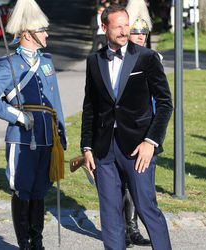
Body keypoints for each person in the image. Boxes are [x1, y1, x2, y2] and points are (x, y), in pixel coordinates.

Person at [81, 4, 172, 250]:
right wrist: (87, 147)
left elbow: (165, 104)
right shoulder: (94, 61)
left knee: (145, 207)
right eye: (118, 26)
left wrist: (150, 142)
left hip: (138, 148)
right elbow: (90, 107)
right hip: (103, 151)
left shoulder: (147, 58)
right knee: (110, 212)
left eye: (126, 25)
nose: (124, 31)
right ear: (104, 28)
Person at [0, 0, 66, 249]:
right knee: (22, 190)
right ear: (27, 34)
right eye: (42, 31)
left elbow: (55, 100)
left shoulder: (46, 63)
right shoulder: (8, 66)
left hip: (47, 136)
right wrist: (16, 115)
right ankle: (24, 243)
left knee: (39, 191)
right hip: (23, 137)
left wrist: (61, 133)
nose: (46, 34)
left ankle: (38, 241)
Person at [122, 0, 155, 248]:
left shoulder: (153, 58)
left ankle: (132, 229)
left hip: (147, 127)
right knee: (123, 183)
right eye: (136, 31)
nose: (140, 36)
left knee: (141, 182)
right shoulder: (116, 60)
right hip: (122, 128)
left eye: (144, 32)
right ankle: (125, 229)